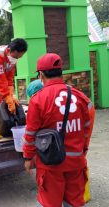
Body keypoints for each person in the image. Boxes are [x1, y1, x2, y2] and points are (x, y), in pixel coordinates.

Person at [23, 53, 95, 207]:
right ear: (61, 72)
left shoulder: (38, 100)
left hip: (50, 164)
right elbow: (87, 128)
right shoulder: (81, 97)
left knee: (49, 203)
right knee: (75, 202)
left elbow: (30, 133)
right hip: (76, 162)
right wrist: (84, 149)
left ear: (41, 75)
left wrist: (28, 157)